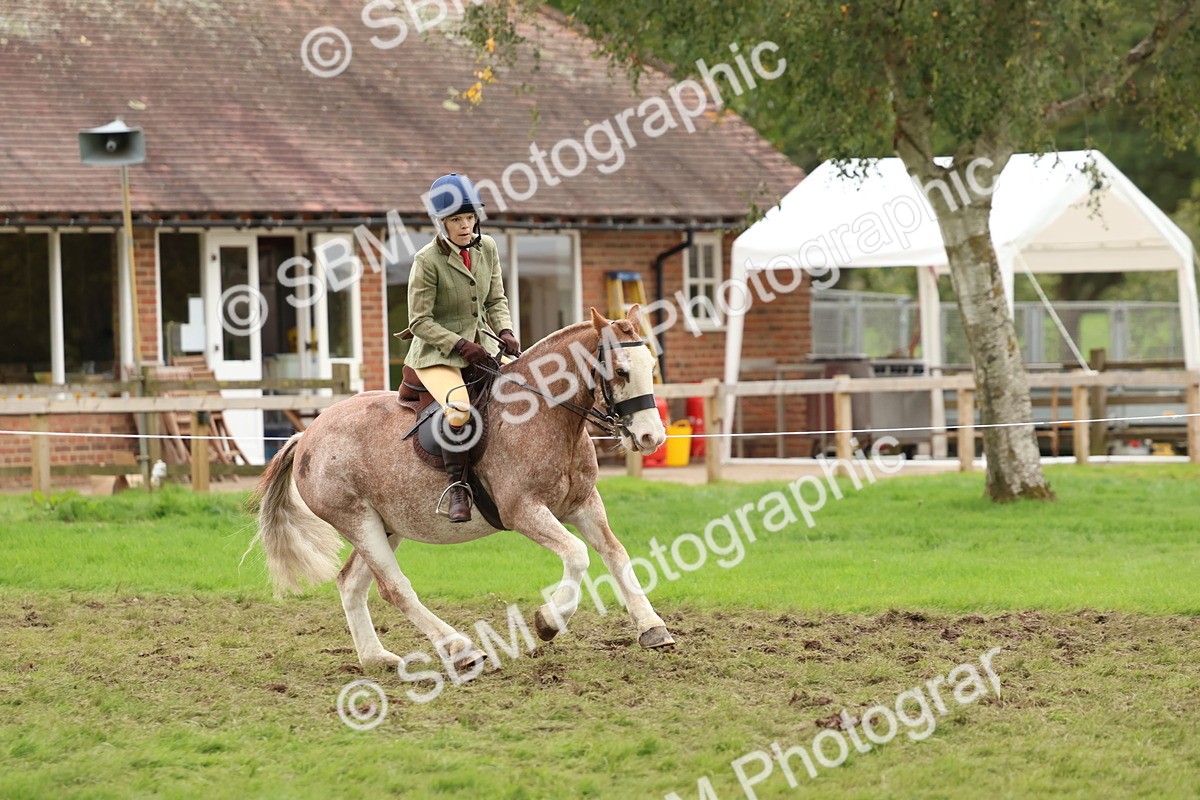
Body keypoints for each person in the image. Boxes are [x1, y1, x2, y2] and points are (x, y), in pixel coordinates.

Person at [397, 173, 520, 523]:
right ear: (442, 223)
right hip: (436, 354)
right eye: (456, 220)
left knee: (517, 395)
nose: (465, 226)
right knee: (459, 410)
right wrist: (460, 344)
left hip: (481, 345)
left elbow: (495, 299)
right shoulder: (427, 260)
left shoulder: (487, 247)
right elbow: (419, 321)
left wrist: (505, 329)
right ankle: (457, 488)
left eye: (469, 218)